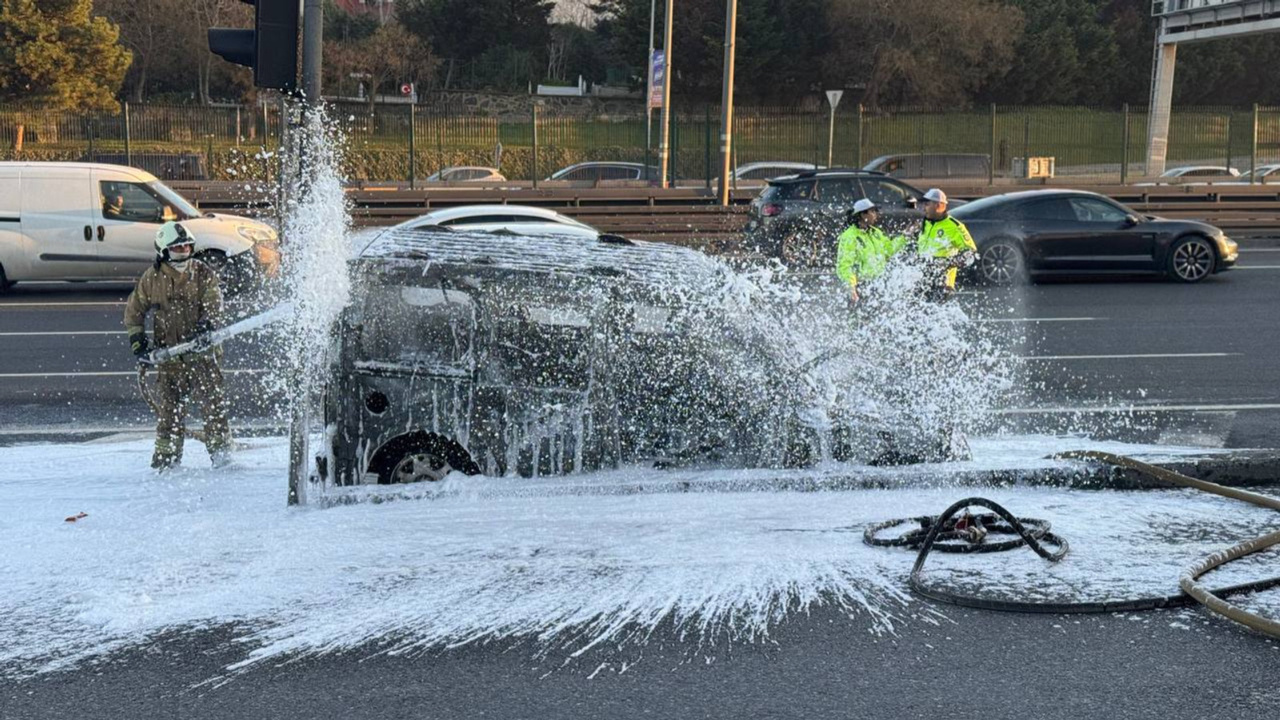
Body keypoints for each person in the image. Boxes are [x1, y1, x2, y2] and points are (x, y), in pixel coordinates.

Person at [124, 221, 232, 470]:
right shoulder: (152, 278)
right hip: (170, 361)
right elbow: (134, 311)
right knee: (169, 414)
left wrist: (207, 325)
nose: (183, 251)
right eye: (176, 247)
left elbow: (214, 303)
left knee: (213, 410)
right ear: (163, 251)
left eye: (186, 246)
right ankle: (166, 462)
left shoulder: (202, 273)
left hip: (204, 358)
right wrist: (138, 342)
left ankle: (223, 458)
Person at [835, 198, 908, 303]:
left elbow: (888, 251)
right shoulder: (850, 236)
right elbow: (844, 266)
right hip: (861, 286)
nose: (875, 215)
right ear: (862, 215)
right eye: (872, 211)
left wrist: (904, 237)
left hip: (879, 284)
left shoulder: (876, 233)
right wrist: (852, 288)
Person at [915, 188, 978, 300]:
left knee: (937, 315)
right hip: (922, 281)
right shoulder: (925, 223)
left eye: (927, 204)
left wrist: (946, 263)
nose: (924, 208)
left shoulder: (954, 226)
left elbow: (971, 253)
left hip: (942, 284)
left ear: (938, 206)